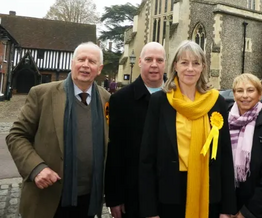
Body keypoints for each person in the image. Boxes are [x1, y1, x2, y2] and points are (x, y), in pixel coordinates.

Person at [6, 42, 110, 218]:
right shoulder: (42, 94)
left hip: (88, 198)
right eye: (81, 59)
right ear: (72, 63)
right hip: (49, 196)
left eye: (91, 61)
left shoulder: (105, 98)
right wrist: (36, 168)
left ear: (99, 69)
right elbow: (17, 136)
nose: (85, 65)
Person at [139, 40, 236, 218]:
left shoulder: (216, 102)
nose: (190, 68)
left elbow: (225, 156)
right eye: (184, 63)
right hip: (169, 195)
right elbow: (147, 158)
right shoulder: (160, 101)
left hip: (208, 193)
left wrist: (227, 208)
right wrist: (149, 210)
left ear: (203, 67)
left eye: (196, 63)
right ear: (175, 66)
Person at [105, 42, 166, 218]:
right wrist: (114, 197)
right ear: (140, 62)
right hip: (133, 192)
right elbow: (115, 151)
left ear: (166, 63)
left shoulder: (176, 97)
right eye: (149, 59)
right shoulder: (121, 100)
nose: (154, 64)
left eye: (159, 60)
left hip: (169, 191)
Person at [229, 73, 262, 218]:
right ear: (234, 94)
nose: (245, 95)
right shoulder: (223, 122)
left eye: (250, 90)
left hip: (257, 209)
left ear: (260, 94)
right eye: (240, 91)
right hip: (228, 206)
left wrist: (248, 212)